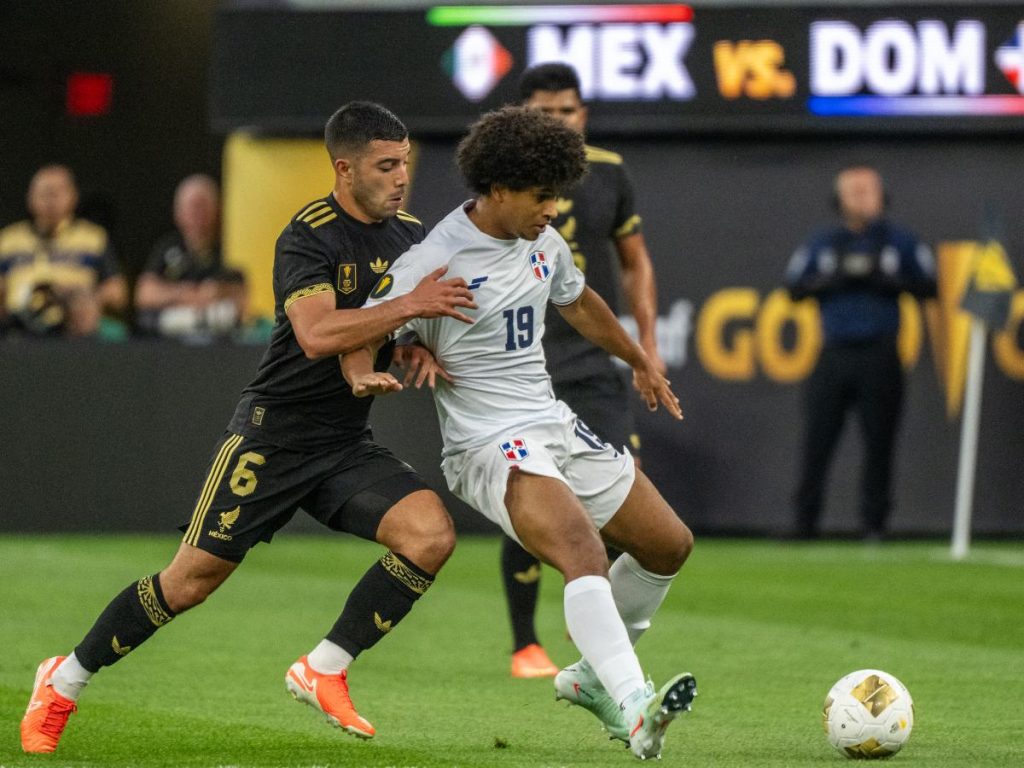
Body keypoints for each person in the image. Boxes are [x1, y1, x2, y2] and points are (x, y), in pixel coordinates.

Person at [20, 101, 478, 754]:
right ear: (344, 169)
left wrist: (410, 344)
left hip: (342, 445)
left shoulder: (408, 236)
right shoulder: (307, 235)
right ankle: (64, 679)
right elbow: (318, 333)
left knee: (430, 533)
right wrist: (410, 306)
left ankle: (325, 667)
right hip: (271, 439)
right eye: (386, 165)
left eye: (404, 163)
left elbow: (382, 320)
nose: (401, 177)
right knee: (188, 583)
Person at [346, 106, 697, 760]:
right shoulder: (437, 258)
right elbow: (366, 325)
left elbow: (579, 299)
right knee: (581, 552)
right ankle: (633, 705)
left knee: (668, 545)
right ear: (498, 190)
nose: (554, 209)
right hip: (488, 445)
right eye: (543, 196)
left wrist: (640, 359)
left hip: (550, 421)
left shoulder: (542, 239)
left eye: (559, 195)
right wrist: (374, 367)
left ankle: (592, 677)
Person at [493, 62, 669, 679]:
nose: (557, 121)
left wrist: (646, 345)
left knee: (626, 489)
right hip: (521, 363)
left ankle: (588, 605)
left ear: (582, 115)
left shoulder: (610, 172)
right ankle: (524, 645)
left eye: (566, 111)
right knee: (531, 499)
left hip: (591, 363)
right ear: (522, 117)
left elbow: (635, 263)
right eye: (544, 112)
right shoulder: (501, 178)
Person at [785, 165, 937, 541]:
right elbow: (794, 286)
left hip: (880, 353)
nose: (861, 197)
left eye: (867, 190)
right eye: (852, 190)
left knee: (879, 442)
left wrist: (885, 281)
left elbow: (929, 285)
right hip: (834, 352)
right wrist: (833, 279)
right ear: (838, 199)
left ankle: (874, 525)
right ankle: (805, 523)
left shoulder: (898, 240)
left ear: (882, 195)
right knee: (817, 439)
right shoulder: (824, 242)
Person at [0, 164, 128, 337]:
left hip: (75, 327)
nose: (51, 200)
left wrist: (83, 299)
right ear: (30, 198)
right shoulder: (8, 239)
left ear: (74, 196)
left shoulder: (93, 238)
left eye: (57, 192)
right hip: (17, 327)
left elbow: (117, 292)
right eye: (44, 193)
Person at [135, 174, 247, 338]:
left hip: (217, 335)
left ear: (217, 209)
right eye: (192, 206)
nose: (197, 214)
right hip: (170, 335)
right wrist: (184, 294)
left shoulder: (229, 248)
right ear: (178, 212)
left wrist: (216, 293)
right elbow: (144, 294)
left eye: (202, 206)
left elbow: (242, 299)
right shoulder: (167, 248)